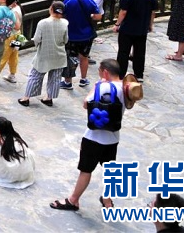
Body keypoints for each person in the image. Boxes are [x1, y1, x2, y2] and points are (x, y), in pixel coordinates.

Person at [49, 59, 131, 211]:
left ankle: (73, 200)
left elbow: (87, 103)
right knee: (110, 170)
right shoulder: (126, 88)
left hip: (94, 137)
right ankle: (107, 200)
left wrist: (96, 87)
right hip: (113, 137)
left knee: (86, 170)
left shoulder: (104, 86)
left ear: (105, 72)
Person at [18, 1, 68, 107]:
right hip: (59, 54)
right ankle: (48, 98)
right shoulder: (65, 23)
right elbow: (66, 40)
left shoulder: (43, 23)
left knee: (35, 76)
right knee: (55, 78)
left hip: (44, 54)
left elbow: (36, 39)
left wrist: (38, 47)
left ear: (51, 9)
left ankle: (26, 98)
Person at [113, 0, 158, 81]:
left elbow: (123, 11)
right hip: (142, 28)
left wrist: (117, 24)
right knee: (139, 52)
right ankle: (139, 74)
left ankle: (121, 74)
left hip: (127, 28)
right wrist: (150, 24)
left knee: (123, 52)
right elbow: (153, 12)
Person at [61, 0, 101, 90]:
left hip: (71, 35)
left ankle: (68, 82)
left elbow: (62, 15)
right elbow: (98, 16)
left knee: (70, 57)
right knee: (84, 57)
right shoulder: (90, 1)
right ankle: (83, 79)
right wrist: (91, 16)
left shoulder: (68, 1)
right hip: (86, 35)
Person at [0, 116, 35, 188]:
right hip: (24, 170)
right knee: (0, 146)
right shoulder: (13, 134)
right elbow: (1, 139)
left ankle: (1, 172)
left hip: (13, 174)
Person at [0, 0, 23, 83]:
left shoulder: (13, 11)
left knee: (3, 56)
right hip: (18, 35)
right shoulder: (18, 8)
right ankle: (12, 75)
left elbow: (17, 26)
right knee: (13, 56)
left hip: (11, 36)